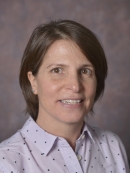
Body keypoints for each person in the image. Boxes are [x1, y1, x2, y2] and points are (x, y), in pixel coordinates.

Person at [0, 20, 129, 173]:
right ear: (33, 81)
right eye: (57, 70)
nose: (75, 86)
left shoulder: (112, 146)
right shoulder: (6, 162)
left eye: (85, 71)